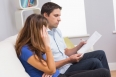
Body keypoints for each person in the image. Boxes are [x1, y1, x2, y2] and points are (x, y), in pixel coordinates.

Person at [15, 14, 110, 77]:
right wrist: (47, 47)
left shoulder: (35, 46)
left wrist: (48, 69)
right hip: (59, 75)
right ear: (35, 30)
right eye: (44, 29)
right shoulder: (25, 50)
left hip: (59, 74)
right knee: (104, 72)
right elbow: (51, 69)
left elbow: (49, 67)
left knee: (100, 69)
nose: (47, 32)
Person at [41, 1, 110, 75]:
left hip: (68, 62)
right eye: (56, 15)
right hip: (63, 69)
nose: (59, 19)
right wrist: (69, 60)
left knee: (100, 53)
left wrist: (79, 46)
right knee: (95, 62)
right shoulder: (41, 36)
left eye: (59, 16)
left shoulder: (57, 31)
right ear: (45, 15)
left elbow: (66, 52)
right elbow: (48, 65)